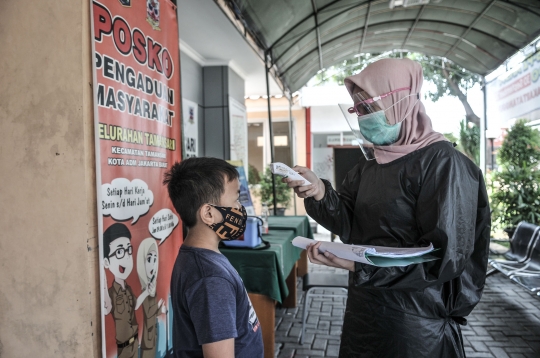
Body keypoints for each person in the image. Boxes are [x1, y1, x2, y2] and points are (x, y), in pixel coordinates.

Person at [284, 58, 490, 358]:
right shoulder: (372, 164)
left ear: (401, 101)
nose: (363, 118)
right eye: (358, 110)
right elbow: (351, 221)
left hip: (414, 322)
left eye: (369, 108)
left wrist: (362, 266)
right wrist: (319, 192)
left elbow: (442, 258)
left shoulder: (443, 164)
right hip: (365, 310)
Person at [164, 157, 263, 358]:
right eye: (235, 200)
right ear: (209, 214)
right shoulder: (210, 279)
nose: (240, 208)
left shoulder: (202, 258)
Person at [102, 223, 139, 358]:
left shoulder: (129, 289)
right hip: (124, 349)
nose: (126, 257)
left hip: (135, 343)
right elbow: (106, 308)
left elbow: (135, 304)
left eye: (128, 250)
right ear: (106, 262)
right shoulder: (111, 293)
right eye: (119, 252)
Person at [136, 237, 167, 358]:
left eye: (155, 259)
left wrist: (160, 309)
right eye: (149, 259)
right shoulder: (145, 289)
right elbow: (148, 312)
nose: (152, 265)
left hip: (153, 334)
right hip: (147, 338)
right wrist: (159, 308)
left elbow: (152, 313)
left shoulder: (152, 287)